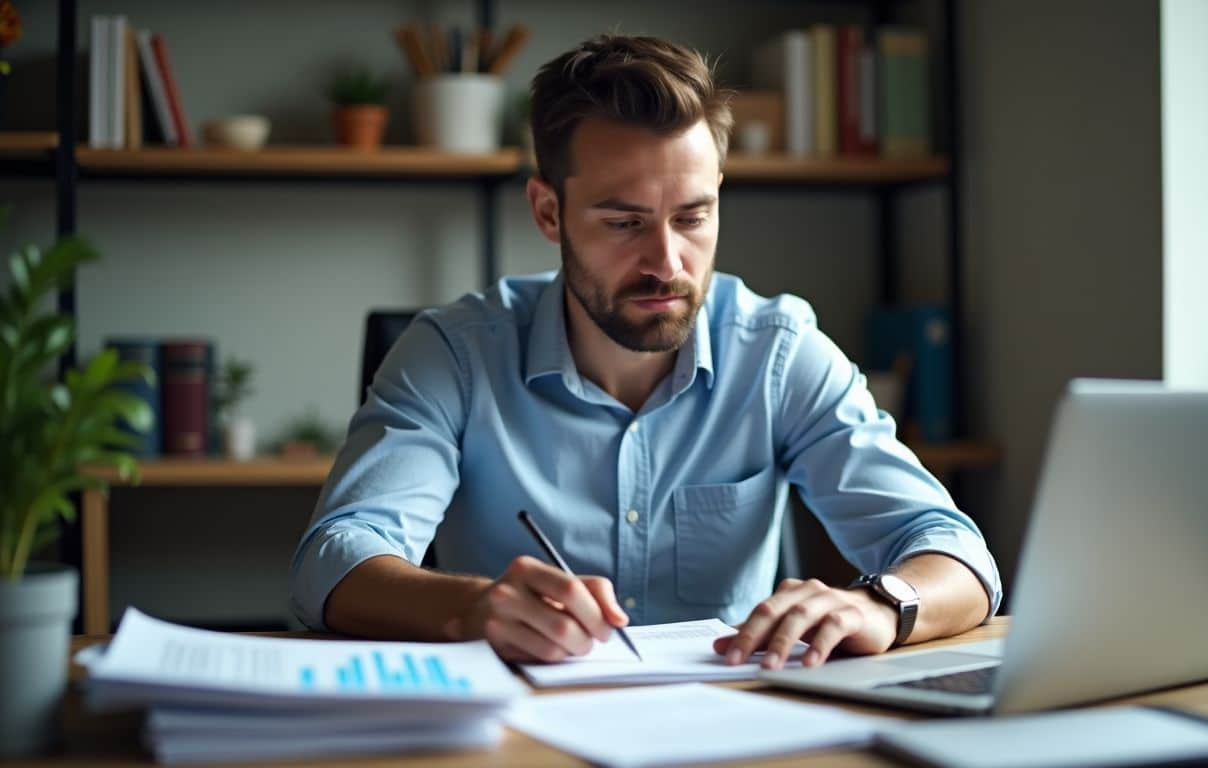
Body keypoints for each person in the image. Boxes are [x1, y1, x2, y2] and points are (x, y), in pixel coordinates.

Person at [290, 34, 1001, 670]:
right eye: (624, 222)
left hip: (734, 738)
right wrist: (469, 609)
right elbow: (334, 560)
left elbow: (956, 551)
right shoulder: (454, 354)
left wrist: (880, 604)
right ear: (548, 212)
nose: (668, 263)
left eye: (693, 217)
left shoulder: (778, 351)